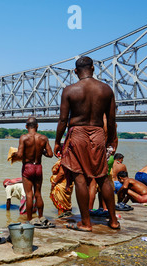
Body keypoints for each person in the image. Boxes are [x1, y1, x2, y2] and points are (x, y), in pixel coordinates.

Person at [54, 56, 120, 232]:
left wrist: (57, 142)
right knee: (103, 176)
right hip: (98, 133)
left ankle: (86, 223)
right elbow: (112, 120)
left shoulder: (70, 90)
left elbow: (62, 120)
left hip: (77, 134)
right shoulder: (106, 90)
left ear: (75, 71)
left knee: (80, 177)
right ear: (93, 68)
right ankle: (113, 221)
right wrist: (111, 140)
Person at [11, 117, 54, 228]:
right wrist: (41, 151)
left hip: (28, 167)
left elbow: (20, 155)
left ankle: (30, 220)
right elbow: (50, 154)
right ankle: (41, 217)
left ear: (26, 127)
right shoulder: (44, 138)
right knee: (38, 194)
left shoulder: (24, 138)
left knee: (29, 195)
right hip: (38, 167)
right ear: (37, 126)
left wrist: (13, 155)